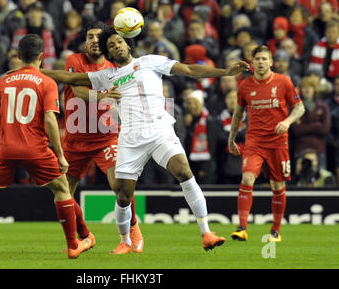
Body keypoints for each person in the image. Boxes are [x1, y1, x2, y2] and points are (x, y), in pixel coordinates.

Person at [39, 26, 250, 253]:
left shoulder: (151, 61)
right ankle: (125, 241)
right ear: (109, 54)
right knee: (122, 195)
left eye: (119, 42)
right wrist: (34, 71)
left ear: (128, 44)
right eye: (111, 45)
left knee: (184, 172)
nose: (116, 46)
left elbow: (188, 70)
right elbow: (68, 77)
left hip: (159, 130)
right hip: (130, 138)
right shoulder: (106, 75)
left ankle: (206, 232)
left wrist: (225, 72)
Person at [0, 34, 92, 260]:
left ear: (18, 56)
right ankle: (74, 244)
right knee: (63, 191)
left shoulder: (4, 81)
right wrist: (61, 155)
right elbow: (50, 120)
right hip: (36, 149)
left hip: (4, 149)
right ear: (42, 57)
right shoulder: (47, 82)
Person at [62, 21, 143, 253]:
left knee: (119, 185)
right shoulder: (74, 61)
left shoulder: (114, 67)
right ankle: (85, 235)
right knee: (63, 193)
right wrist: (105, 95)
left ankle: (133, 227)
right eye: (90, 36)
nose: (94, 40)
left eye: (98, 37)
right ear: (85, 41)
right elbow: (77, 91)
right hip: (75, 139)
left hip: (105, 137)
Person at [228, 45, 305, 243]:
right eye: (257, 59)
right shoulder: (245, 86)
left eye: (264, 59)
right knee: (247, 178)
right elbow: (238, 114)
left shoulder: (283, 82)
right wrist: (232, 138)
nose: (261, 62)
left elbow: (299, 107)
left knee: (277, 184)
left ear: (270, 62)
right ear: (252, 63)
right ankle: (242, 228)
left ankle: (275, 231)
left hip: (278, 142)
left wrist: (286, 122)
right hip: (254, 140)